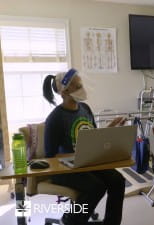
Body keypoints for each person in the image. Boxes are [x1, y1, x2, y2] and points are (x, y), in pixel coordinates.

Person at [42, 68, 127, 225]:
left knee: (118, 181)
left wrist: (110, 128)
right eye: (76, 86)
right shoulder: (55, 119)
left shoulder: (85, 109)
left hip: (87, 162)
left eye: (80, 84)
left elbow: (93, 138)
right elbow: (49, 156)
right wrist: (71, 159)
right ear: (64, 92)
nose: (81, 88)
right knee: (96, 187)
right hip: (64, 169)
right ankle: (70, 220)